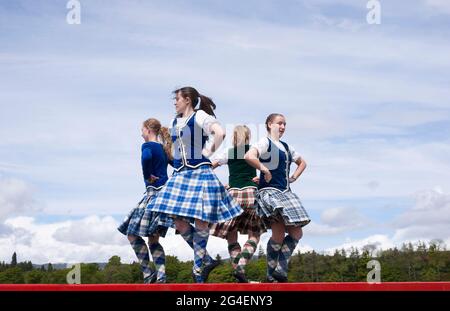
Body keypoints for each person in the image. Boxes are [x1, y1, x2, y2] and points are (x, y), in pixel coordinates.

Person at [150, 86, 242, 283]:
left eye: (177, 99)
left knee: (201, 220)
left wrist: (207, 154)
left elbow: (220, 132)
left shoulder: (199, 116)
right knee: (178, 220)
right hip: (180, 174)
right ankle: (206, 259)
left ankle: (198, 269)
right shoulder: (175, 121)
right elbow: (178, 150)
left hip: (198, 171)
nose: (175, 102)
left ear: (187, 100)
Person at [244, 113, 311, 282]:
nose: (282, 127)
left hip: (285, 192)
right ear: (269, 125)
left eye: (285, 124)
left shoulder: (287, 147)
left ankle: (278, 270)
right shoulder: (264, 142)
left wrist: (293, 177)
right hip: (270, 193)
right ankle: (272, 275)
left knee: (296, 233)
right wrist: (264, 170)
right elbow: (249, 156)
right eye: (279, 123)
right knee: (279, 234)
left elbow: (303, 163)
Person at [117, 118, 173, 283]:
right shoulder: (164, 148)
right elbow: (176, 164)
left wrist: (149, 175)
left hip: (153, 193)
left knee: (131, 233)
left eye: (141, 129)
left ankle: (148, 273)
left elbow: (146, 157)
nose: (140, 133)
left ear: (148, 130)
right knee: (153, 239)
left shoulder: (148, 146)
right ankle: (161, 276)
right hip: (164, 195)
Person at [210, 125, 266, 283]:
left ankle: (238, 273)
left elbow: (208, 168)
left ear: (234, 137)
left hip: (233, 195)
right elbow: (272, 168)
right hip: (251, 194)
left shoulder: (228, 152)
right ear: (248, 136)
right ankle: (241, 267)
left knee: (231, 235)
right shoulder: (255, 151)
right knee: (254, 234)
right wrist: (261, 178)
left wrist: (221, 186)